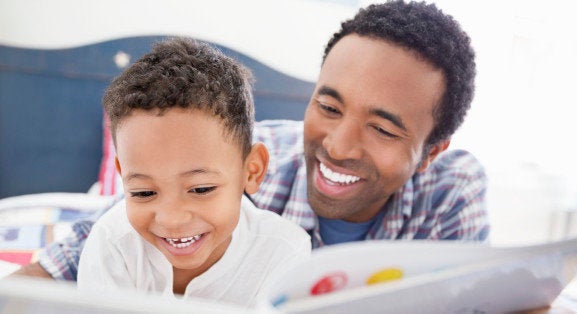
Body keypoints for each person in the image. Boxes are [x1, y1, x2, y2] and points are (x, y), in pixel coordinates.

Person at [12, 0, 489, 280]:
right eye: (328, 107)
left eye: (382, 129)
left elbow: (486, 300)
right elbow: (84, 248)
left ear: (430, 152)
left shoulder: (452, 192)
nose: (339, 147)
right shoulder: (237, 160)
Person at [74, 37, 311, 307]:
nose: (172, 219)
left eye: (201, 189)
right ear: (122, 176)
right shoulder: (113, 243)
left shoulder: (284, 252)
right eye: (143, 192)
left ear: (252, 170)